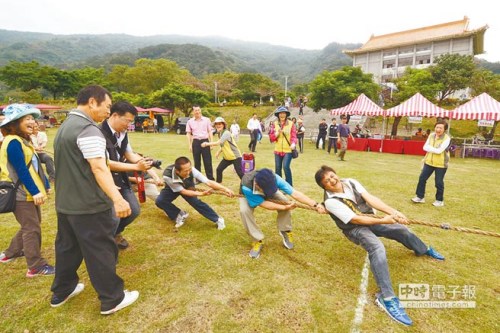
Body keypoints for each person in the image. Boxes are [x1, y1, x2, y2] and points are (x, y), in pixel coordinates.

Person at [314, 165, 445, 326]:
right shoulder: (330, 202)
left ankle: (423, 249)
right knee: (377, 248)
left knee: (402, 230)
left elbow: (371, 199)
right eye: (327, 181)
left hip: (370, 219)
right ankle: (387, 297)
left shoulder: (351, 182)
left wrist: (393, 212)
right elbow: (356, 219)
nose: (332, 180)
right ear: (324, 186)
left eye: (332, 176)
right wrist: (384, 220)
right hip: (355, 228)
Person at [50, 85, 139, 315]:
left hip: (66, 204)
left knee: (67, 249)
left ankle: (62, 291)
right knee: (100, 250)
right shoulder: (89, 129)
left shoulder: (65, 126)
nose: (108, 112)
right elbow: (99, 167)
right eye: (107, 107)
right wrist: (118, 199)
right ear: (92, 102)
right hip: (89, 205)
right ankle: (112, 298)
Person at [0, 104, 54, 277]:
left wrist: (44, 185)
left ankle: (10, 253)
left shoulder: (23, 140)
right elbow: (21, 170)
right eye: (27, 119)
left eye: (32, 118)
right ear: (15, 123)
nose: (32, 122)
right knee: (31, 228)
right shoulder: (13, 142)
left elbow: (35, 165)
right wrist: (35, 191)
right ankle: (35, 266)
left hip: (28, 191)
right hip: (21, 194)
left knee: (31, 224)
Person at [100, 101, 154, 249]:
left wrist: (145, 163)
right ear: (115, 115)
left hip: (121, 178)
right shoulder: (98, 133)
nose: (129, 125)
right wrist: (136, 166)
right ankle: (106, 245)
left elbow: (128, 153)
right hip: (106, 181)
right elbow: (106, 163)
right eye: (128, 121)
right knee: (112, 217)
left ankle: (115, 234)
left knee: (133, 210)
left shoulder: (123, 133)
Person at [239, 168, 325, 259]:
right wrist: (284, 207)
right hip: (248, 194)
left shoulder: (274, 178)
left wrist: (315, 204)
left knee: (285, 200)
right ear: (257, 184)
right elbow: (264, 204)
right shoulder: (246, 186)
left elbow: (295, 194)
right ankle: (257, 239)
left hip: (265, 189)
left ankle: (285, 230)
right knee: (244, 211)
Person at [155, 156, 233, 230]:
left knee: (195, 202)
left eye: (190, 169)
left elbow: (208, 182)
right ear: (177, 171)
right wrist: (201, 194)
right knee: (160, 201)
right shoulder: (167, 176)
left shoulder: (191, 170)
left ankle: (218, 219)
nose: (189, 172)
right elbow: (183, 191)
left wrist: (225, 189)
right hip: (174, 186)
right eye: (186, 171)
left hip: (188, 185)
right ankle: (179, 214)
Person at [412, 120, 451, 207]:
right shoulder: (431, 135)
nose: (438, 129)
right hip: (429, 161)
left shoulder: (447, 138)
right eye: (437, 127)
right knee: (422, 178)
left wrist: (430, 148)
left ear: (444, 129)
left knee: (438, 182)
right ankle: (420, 197)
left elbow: (439, 151)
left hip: (441, 164)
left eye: (441, 128)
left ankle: (439, 200)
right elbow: (424, 147)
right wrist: (432, 148)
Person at [201, 117, 244, 183]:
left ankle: (248, 184)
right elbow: (224, 144)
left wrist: (207, 144)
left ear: (223, 125)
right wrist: (218, 152)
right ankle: (218, 185)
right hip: (227, 157)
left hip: (235, 156)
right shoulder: (220, 133)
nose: (218, 125)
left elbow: (219, 142)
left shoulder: (226, 133)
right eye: (216, 124)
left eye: (220, 124)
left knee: (240, 173)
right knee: (219, 169)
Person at [269, 106, 297, 186]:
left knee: (285, 167)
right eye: (280, 113)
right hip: (277, 150)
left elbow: (294, 136)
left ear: (286, 114)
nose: (282, 115)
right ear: (278, 115)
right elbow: (271, 138)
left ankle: (289, 185)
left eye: (284, 113)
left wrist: (293, 143)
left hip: (288, 150)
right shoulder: (274, 124)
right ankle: (279, 185)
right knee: (277, 168)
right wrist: (277, 133)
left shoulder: (291, 124)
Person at [186, 105, 214, 180]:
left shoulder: (206, 120)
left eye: (198, 110)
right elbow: (188, 134)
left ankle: (210, 178)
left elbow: (210, 131)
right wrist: (190, 145)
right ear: (193, 112)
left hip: (205, 141)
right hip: (196, 142)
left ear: (200, 110)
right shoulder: (190, 121)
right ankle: (198, 179)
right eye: (195, 110)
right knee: (197, 161)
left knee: (207, 161)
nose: (197, 112)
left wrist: (211, 143)